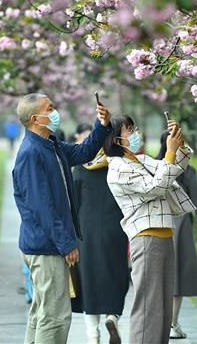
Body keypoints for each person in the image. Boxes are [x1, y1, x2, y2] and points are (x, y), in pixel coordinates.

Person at [12, 93, 111, 344]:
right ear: (36, 118)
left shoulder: (51, 146)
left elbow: (84, 152)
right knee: (55, 316)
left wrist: (101, 125)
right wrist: (66, 243)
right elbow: (42, 207)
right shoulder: (31, 154)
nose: (56, 112)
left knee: (41, 313)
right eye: (50, 108)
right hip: (46, 246)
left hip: (47, 244)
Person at [105, 115, 196, 344]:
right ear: (116, 140)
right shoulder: (118, 168)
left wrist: (178, 143)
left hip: (164, 236)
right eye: (129, 130)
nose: (135, 133)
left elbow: (173, 168)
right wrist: (170, 152)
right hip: (146, 239)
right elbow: (156, 187)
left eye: (134, 127)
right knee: (148, 306)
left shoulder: (141, 160)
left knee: (163, 306)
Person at [72, 122, 129, 344]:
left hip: (85, 231)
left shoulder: (80, 168)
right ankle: (113, 316)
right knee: (116, 274)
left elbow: (73, 204)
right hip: (115, 228)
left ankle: (92, 334)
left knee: (89, 280)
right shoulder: (118, 166)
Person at [155, 131, 197, 340]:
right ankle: (172, 323)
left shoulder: (153, 166)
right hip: (180, 225)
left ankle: (159, 322)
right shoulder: (188, 170)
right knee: (177, 275)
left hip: (156, 221)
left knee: (158, 275)